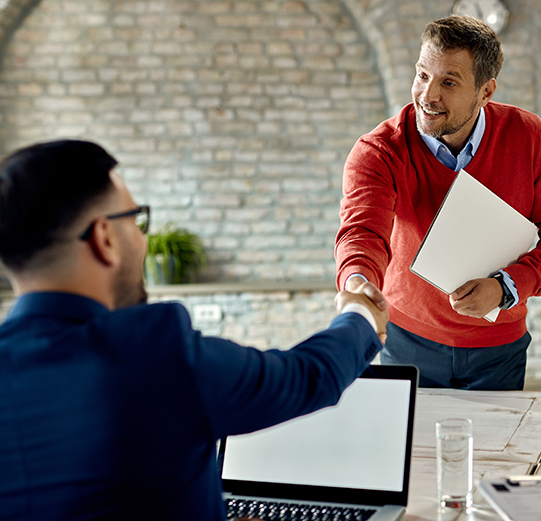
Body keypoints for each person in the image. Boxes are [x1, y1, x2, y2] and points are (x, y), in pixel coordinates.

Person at [0, 139, 388, 521]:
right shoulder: (153, 350)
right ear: (104, 238)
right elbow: (306, 377)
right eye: (136, 220)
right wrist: (360, 316)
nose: (142, 237)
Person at [335, 14, 541, 390]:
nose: (427, 95)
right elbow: (363, 232)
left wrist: (506, 288)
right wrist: (357, 285)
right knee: (412, 450)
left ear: (486, 92)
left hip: (498, 348)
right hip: (407, 341)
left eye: (448, 82)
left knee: (491, 451)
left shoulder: (529, 138)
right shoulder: (379, 151)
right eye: (422, 75)